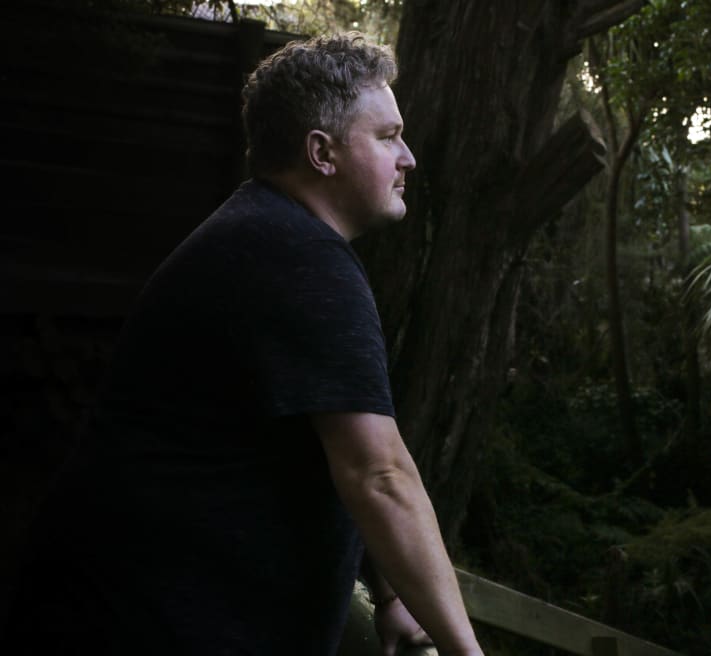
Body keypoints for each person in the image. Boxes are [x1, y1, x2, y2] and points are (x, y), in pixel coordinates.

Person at [3, 33, 481, 656]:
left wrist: (391, 593)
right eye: (388, 136)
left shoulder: (271, 236)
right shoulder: (297, 258)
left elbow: (329, 449)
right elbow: (379, 473)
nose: (409, 157)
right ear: (322, 153)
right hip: (137, 625)